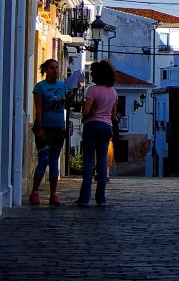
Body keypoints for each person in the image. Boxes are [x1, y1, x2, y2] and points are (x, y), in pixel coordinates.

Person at [76, 59, 118, 207]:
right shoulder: (113, 92)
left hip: (92, 125)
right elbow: (113, 116)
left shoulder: (92, 90)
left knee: (88, 163)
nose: (91, 75)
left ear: (97, 75)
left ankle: (84, 198)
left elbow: (86, 111)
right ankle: (101, 198)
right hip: (106, 127)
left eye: (93, 73)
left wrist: (86, 115)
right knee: (101, 163)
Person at [29, 58, 69, 205]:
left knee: (54, 161)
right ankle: (35, 192)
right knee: (43, 159)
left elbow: (66, 106)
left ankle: (53, 194)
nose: (55, 70)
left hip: (59, 128)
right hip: (44, 128)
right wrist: (39, 127)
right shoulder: (40, 87)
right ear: (45, 70)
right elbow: (38, 108)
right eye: (52, 68)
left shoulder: (63, 86)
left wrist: (72, 95)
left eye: (57, 67)